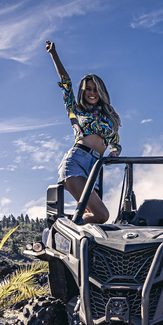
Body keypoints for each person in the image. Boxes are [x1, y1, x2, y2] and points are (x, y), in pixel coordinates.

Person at [46, 41, 122, 224]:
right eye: (88, 89)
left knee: (90, 216)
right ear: (83, 91)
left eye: (95, 89)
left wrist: (115, 152)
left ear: (101, 91)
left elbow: (115, 143)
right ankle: (61, 229)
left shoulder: (109, 116)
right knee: (101, 215)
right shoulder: (76, 110)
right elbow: (65, 82)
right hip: (76, 162)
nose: (92, 92)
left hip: (95, 168)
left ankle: (69, 232)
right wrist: (53, 53)